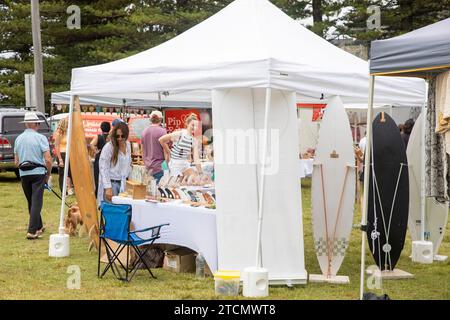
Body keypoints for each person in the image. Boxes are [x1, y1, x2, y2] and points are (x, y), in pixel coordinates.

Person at [14, 112, 53, 240]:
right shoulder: (41, 138)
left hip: (24, 173)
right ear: (36, 124)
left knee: (31, 201)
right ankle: (32, 231)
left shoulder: (18, 139)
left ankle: (38, 226)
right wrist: (48, 173)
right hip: (38, 172)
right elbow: (48, 159)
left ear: (26, 124)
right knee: (36, 202)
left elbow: (16, 162)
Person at [159, 113, 203, 178]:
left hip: (185, 163)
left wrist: (201, 173)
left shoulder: (194, 140)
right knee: (177, 184)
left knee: (193, 179)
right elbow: (161, 140)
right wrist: (168, 152)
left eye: (196, 126)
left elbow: (196, 158)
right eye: (192, 125)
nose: (194, 127)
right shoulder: (180, 134)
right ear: (187, 124)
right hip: (175, 163)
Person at [98, 122, 132, 203]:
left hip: (123, 184)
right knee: (111, 211)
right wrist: (108, 187)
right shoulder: (109, 147)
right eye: (117, 136)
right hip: (112, 183)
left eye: (122, 136)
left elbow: (128, 164)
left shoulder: (128, 145)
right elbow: (103, 168)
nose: (120, 138)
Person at [141, 111, 167, 184]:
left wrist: (145, 163)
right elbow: (165, 152)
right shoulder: (162, 132)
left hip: (148, 167)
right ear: (161, 119)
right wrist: (167, 167)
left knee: (150, 192)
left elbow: (142, 150)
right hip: (160, 167)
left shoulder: (144, 131)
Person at [54, 117, 74, 195]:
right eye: (68, 123)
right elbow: (57, 146)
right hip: (62, 154)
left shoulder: (67, 132)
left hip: (69, 154)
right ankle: (63, 191)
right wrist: (60, 159)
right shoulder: (58, 133)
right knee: (62, 173)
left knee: (70, 172)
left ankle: (71, 188)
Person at [90, 121, 111, 196]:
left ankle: (97, 192)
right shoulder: (111, 137)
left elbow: (91, 144)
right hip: (108, 158)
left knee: (97, 174)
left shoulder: (98, 137)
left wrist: (96, 151)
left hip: (99, 157)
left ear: (101, 128)